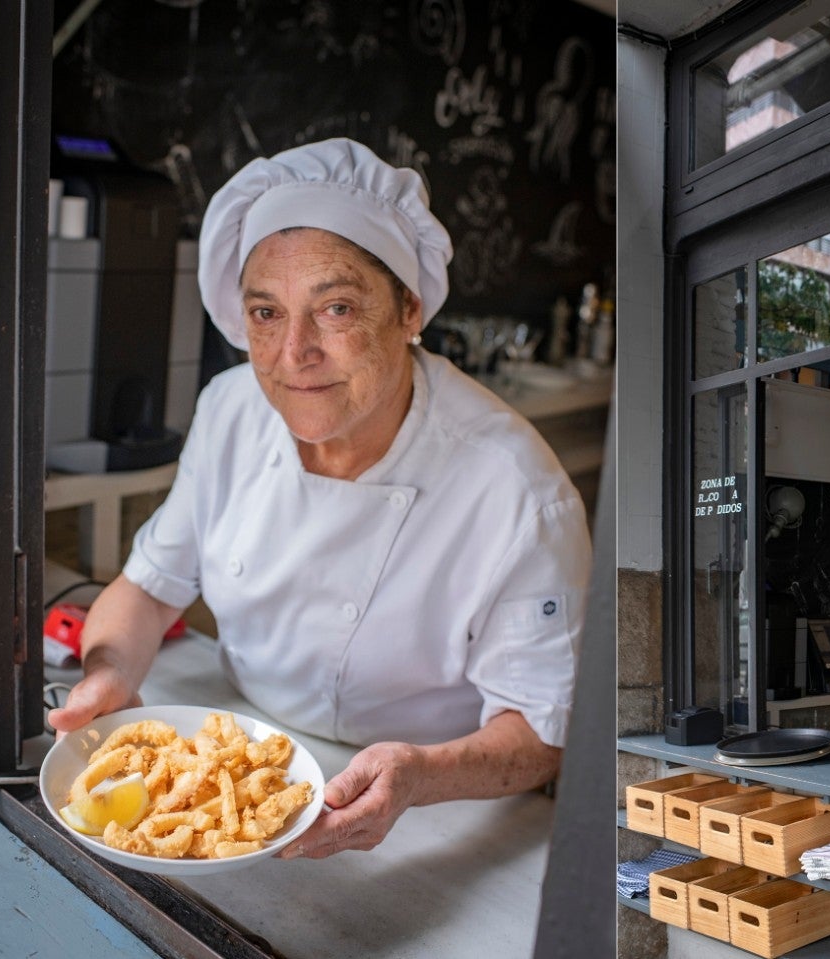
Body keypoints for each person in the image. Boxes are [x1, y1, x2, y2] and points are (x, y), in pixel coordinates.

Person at [47, 138, 593, 859]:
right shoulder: (230, 408)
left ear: (408, 308)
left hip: (444, 808)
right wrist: (108, 677)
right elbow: (148, 590)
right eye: (266, 313)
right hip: (244, 749)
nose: (294, 353)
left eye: (335, 307)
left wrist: (419, 775)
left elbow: (542, 732)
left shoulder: (518, 489)